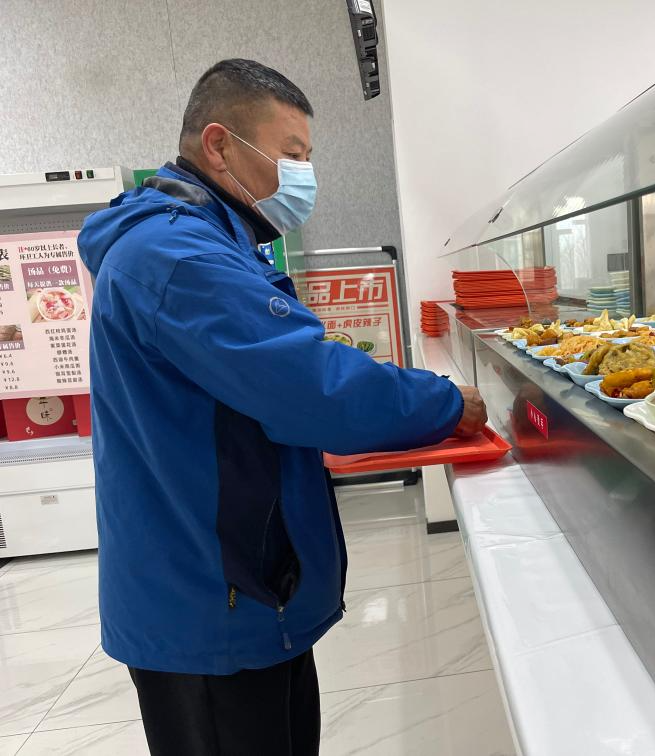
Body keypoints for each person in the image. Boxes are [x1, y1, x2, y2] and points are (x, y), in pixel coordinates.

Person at [77, 59, 487, 756]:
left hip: (240, 589)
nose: (304, 175)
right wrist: (447, 402)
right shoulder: (180, 257)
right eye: (291, 155)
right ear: (219, 145)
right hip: (213, 605)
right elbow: (314, 389)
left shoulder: (203, 241)